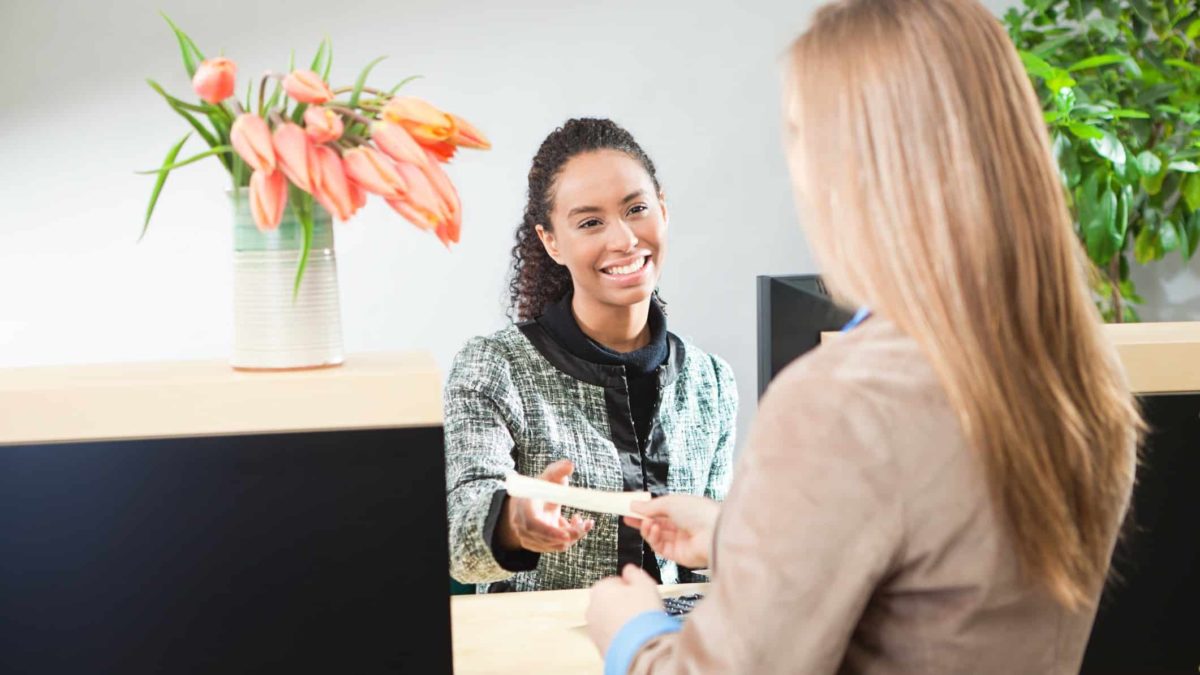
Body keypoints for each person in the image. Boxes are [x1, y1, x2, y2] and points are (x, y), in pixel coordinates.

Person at [585, 0, 1142, 672]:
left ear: (857, 168)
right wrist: (738, 533)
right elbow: (941, 573)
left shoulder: (843, 400)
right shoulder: (1079, 374)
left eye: (798, 136)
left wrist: (631, 631)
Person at [444, 118, 738, 593]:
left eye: (637, 209)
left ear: (662, 210)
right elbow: (460, 540)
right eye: (590, 223)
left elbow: (712, 568)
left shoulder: (712, 381)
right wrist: (513, 523)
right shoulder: (496, 368)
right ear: (551, 241)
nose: (623, 239)